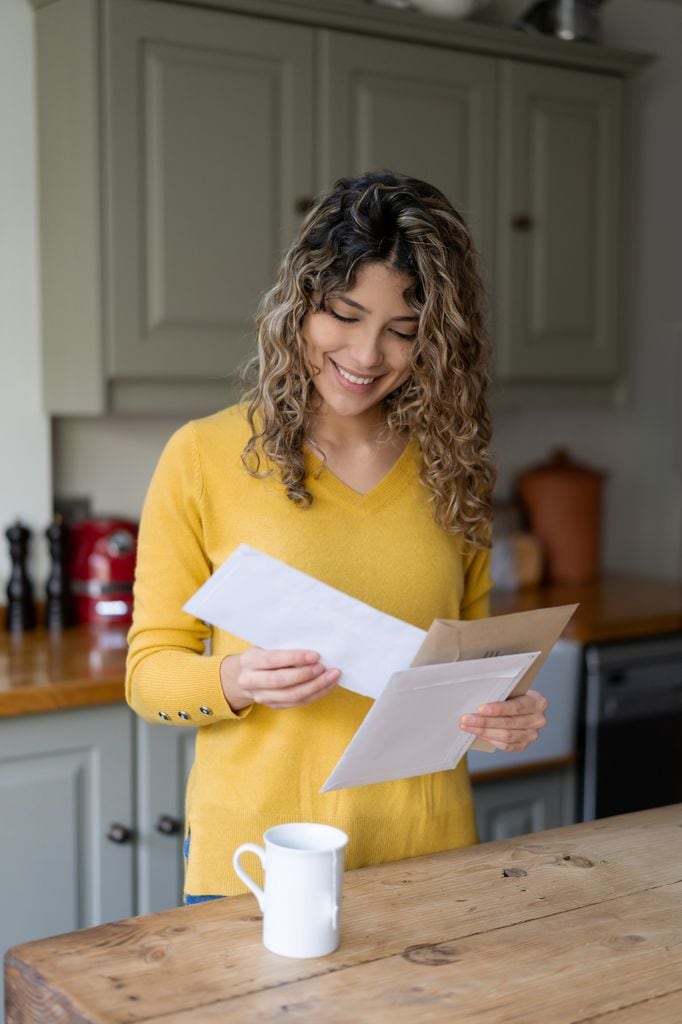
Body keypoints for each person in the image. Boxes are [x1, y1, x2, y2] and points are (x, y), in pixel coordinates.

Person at [125, 170, 548, 903]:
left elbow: (465, 672)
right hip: (260, 863)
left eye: (402, 332)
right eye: (344, 316)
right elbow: (147, 675)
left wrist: (499, 717)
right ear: (299, 306)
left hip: (428, 857)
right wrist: (234, 681)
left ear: (437, 341)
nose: (365, 354)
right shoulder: (202, 456)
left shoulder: (455, 470)